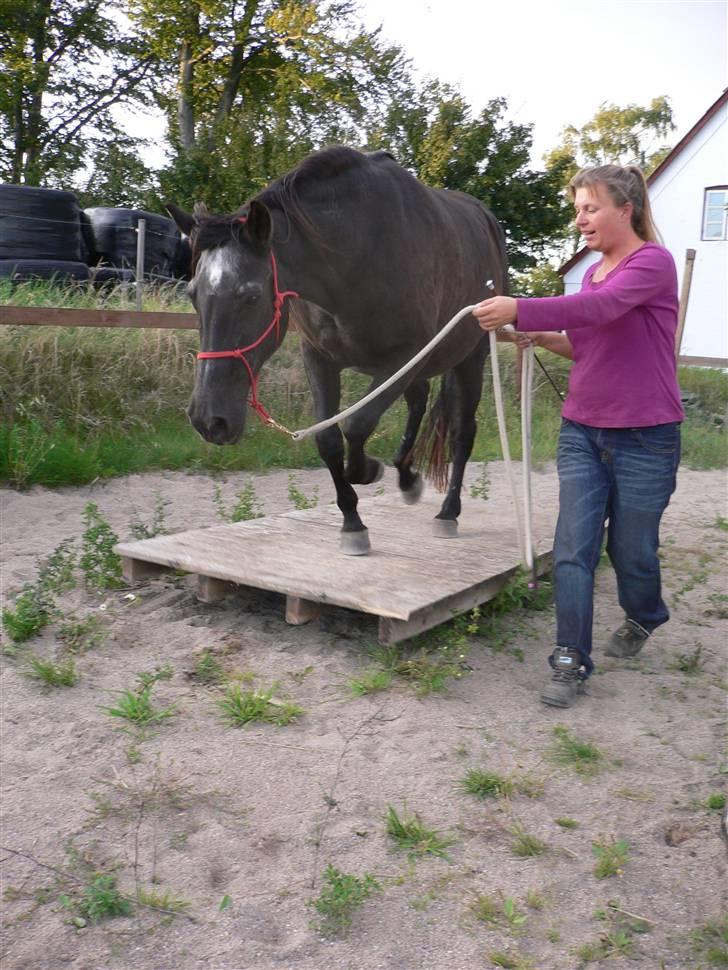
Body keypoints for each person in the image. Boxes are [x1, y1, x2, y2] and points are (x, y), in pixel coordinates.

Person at [473, 164, 684, 708]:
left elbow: (600, 309)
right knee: (573, 547)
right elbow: (588, 342)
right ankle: (569, 659)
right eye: (578, 209)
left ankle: (645, 615)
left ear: (625, 210)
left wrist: (522, 307)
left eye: (590, 208)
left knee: (632, 549)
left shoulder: (652, 264)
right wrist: (542, 336)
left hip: (647, 437)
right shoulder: (593, 272)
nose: (580, 219)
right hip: (582, 433)